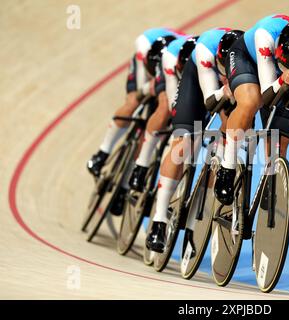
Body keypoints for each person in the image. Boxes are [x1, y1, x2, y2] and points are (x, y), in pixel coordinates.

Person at [146, 28, 244, 253]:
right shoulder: (204, 52)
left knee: (231, 129)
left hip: (229, 80)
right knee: (185, 143)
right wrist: (223, 92)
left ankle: (201, 213)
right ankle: (159, 221)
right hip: (198, 77)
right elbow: (210, 99)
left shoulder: (245, 61)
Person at [213, 14, 289, 206]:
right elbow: (266, 96)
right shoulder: (264, 35)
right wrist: (283, 79)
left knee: (280, 134)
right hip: (246, 58)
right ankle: (227, 167)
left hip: (279, 68)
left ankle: (270, 179)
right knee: (250, 101)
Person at [86, 27, 184, 178]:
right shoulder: (144, 46)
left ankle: (126, 182)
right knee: (133, 102)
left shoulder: (181, 57)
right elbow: (141, 87)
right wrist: (146, 89)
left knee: (152, 128)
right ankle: (102, 154)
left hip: (169, 72)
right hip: (148, 68)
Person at [128, 35, 197, 192]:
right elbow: (175, 104)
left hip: (192, 73)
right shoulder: (170, 59)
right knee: (166, 105)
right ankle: (141, 166)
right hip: (170, 65)